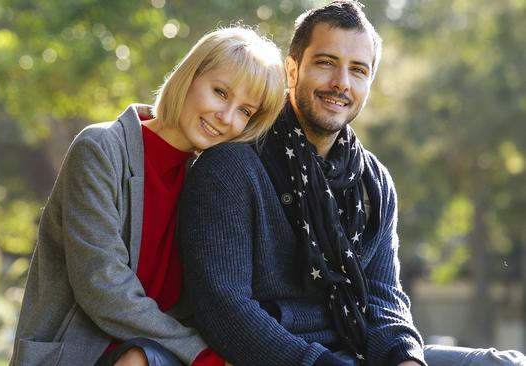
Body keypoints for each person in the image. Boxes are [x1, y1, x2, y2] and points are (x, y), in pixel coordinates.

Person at [178, 1, 526, 366]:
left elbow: (383, 300)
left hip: (361, 350)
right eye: (326, 63)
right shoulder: (231, 165)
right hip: (288, 358)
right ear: (292, 71)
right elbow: (225, 310)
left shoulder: (372, 182)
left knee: (506, 363)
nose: (341, 83)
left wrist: (407, 360)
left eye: (358, 70)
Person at [10, 26, 285, 366]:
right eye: (220, 92)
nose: (226, 117)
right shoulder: (99, 149)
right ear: (189, 76)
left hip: (165, 356)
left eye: (245, 111)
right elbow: (102, 285)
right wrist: (202, 356)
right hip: (84, 354)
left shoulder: (211, 183)